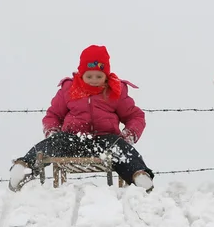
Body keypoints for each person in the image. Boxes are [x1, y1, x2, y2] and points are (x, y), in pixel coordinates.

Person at [9, 45, 154, 192]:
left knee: (120, 146)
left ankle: (139, 175)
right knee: (54, 142)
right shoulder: (70, 89)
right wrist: (53, 131)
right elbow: (53, 115)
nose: (94, 80)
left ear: (106, 75)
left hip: (104, 141)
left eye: (99, 76)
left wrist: (128, 135)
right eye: (89, 76)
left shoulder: (114, 92)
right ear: (81, 74)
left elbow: (135, 116)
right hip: (73, 140)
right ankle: (24, 168)